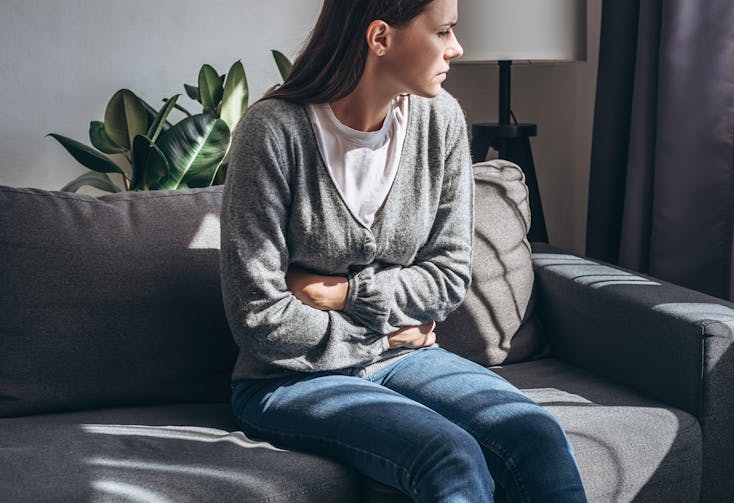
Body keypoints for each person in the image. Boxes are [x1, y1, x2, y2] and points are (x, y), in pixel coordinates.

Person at [220, 0, 587, 501]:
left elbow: (450, 277)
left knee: (535, 434)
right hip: (284, 379)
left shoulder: (442, 120)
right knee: (448, 454)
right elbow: (260, 317)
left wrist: (346, 293)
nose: (456, 49)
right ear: (380, 38)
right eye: (443, 31)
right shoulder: (273, 132)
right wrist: (388, 336)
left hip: (408, 359)